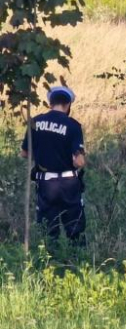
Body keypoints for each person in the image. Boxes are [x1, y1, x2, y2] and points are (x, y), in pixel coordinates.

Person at [20, 86, 87, 246]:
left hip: (45, 184)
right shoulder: (73, 125)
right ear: (68, 104)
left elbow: (24, 153)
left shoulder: (35, 122)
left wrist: (43, 155)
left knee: (49, 230)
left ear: (50, 103)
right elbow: (79, 162)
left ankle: (50, 262)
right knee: (75, 229)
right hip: (69, 184)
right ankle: (77, 262)